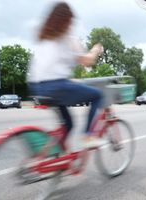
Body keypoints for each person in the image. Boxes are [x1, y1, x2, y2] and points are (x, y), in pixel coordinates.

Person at [28, 2, 105, 148]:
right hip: (55, 86)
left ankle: (52, 155)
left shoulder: (43, 37)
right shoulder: (67, 37)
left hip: (37, 87)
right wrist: (96, 49)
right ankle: (88, 137)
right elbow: (87, 61)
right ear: (67, 20)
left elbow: (50, 68)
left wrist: (70, 81)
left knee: (69, 124)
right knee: (97, 95)